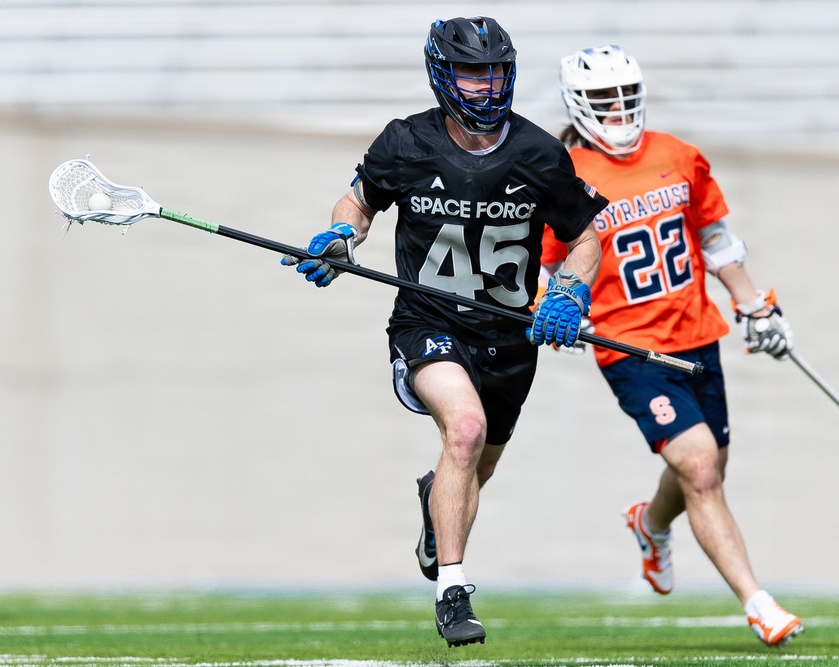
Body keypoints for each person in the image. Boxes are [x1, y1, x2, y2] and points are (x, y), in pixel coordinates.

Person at [282, 18, 606, 648]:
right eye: (469, 72)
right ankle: (453, 592)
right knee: (465, 429)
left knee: (472, 469)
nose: (484, 87)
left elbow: (584, 238)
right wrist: (342, 236)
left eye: (494, 73)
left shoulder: (540, 153)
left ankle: (437, 512)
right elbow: (358, 201)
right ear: (441, 74)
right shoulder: (405, 143)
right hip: (429, 322)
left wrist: (569, 291)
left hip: (512, 338)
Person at [542, 45, 803, 648]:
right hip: (629, 347)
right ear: (578, 104)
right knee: (701, 467)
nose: (617, 109)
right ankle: (758, 603)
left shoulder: (678, 156)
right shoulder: (565, 175)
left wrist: (753, 304)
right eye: (603, 99)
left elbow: (715, 239)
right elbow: (549, 264)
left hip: (697, 336)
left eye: (624, 96)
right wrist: (556, 308)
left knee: (707, 468)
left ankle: (650, 523)